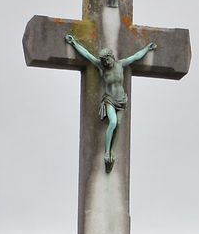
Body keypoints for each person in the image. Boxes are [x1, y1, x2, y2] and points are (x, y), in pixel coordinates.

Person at [65, 33, 157, 169]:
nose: (106, 63)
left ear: (112, 57)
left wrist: (147, 49)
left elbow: (136, 56)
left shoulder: (121, 64)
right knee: (113, 122)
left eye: (107, 60)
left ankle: (112, 150)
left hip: (121, 100)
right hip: (109, 99)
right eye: (103, 61)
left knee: (118, 124)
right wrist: (74, 43)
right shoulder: (101, 66)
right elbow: (87, 54)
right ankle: (107, 152)